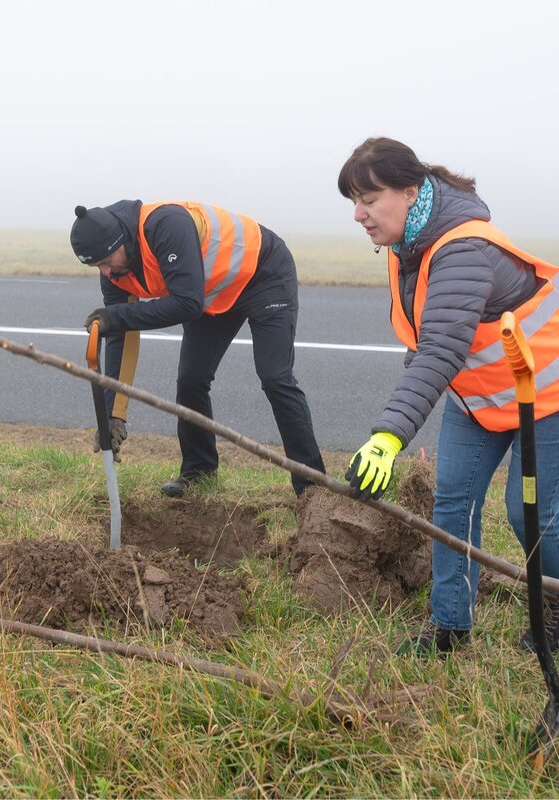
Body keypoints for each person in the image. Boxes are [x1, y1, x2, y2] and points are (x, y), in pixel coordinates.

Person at [338, 137, 559, 656]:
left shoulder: (463, 249)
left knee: (531, 514)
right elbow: (429, 336)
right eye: (354, 202)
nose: (358, 215)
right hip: (479, 397)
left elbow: (439, 351)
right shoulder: (408, 246)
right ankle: (450, 628)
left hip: (547, 394)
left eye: (369, 200)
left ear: (411, 191)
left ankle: (556, 612)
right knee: (453, 502)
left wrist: (389, 436)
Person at [70, 199, 325, 498]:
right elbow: (121, 332)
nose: (105, 272)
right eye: (95, 266)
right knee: (191, 380)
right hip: (212, 292)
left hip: (263, 273)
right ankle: (199, 471)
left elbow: (186, 304)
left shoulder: (165, 225)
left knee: (275, 377)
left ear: (122, 240)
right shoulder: (115, 271)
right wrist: (114, 412)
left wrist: (115, 317)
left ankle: (312, 489)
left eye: (106, 260)